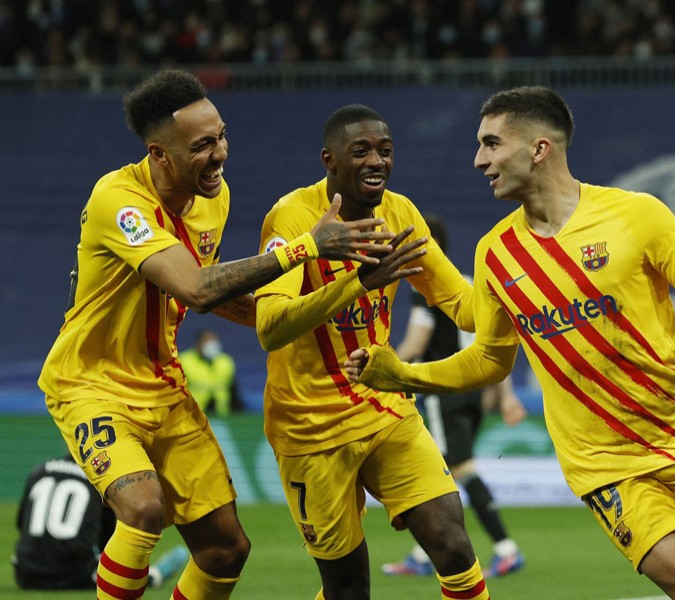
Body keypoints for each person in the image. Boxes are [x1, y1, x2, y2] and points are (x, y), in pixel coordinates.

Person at [346, 86, 675, 598]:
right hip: (604, 466)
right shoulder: (496, 254)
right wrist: (402, 374)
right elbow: (488, 360)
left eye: (491, 144)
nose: (479, 159)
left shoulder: (637, 215)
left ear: (539, 148)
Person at [37, 69, 394, 600]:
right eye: (202, 145)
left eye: (222, 135)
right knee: (142, 509)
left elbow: (211, 291)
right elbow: (196, 288)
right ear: (160, 154)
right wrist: (303, 248)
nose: (220, 153)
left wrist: (294, 315)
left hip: (163, 386)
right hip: (91, 386)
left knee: (226, 551)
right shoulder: (120, 201)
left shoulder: (214, 198)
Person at [254, 104, 490, 600]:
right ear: (329, 160)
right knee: (348, 588)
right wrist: (360, 282)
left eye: (385, 151)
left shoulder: (402, 214)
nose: (376, 161)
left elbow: (463, 306)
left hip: (383, 407)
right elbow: (271, 328)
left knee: (453, 546)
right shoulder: (294, 217)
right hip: (309, 426)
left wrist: (519, 289)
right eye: (359, 151)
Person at [383, 213, 527, 578]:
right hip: (475, 393)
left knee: (455, 469)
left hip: (442, 392)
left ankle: (506, 549)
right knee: (443, 471)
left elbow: (416, 343)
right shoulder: (466, 283)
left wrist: (382, 369)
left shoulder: (424, 291)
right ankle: (421, 555)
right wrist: (505, 394)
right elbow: (494, 343)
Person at [13, 454, 189, 591]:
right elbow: (110, 539)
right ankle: (155, 575)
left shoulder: (39, 470)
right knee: (121, 578)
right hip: (74, 573)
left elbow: (21, 523)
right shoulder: (100, 480)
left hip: (25, 573)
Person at [181, 329, 244, 416]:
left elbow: (233, 391)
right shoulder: (184, 361)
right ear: (198, 343)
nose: (212, 344)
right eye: (207, 341)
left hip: (222, 415)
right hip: (192, 415)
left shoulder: (225, 361)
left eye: (214, 341)